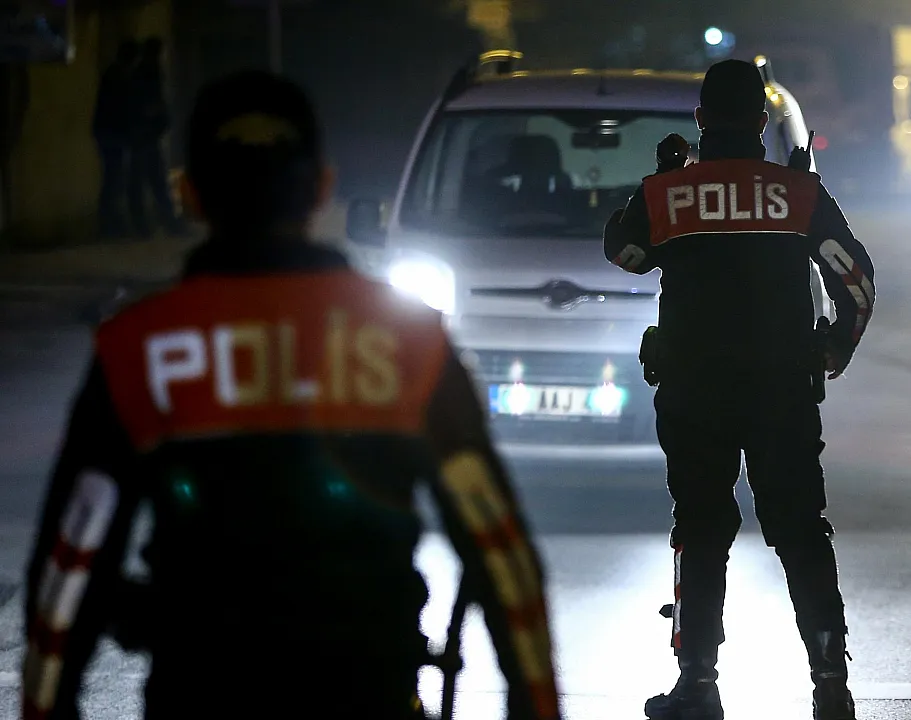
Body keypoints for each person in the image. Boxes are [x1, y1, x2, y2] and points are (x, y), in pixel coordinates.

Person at [22, 71, 562, 720]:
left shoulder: (139, 347)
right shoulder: (407, 344)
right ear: (322, 188)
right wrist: (536, 707)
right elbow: (501, 554)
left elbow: (69, 572)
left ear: (189, 194)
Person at [602, 59, 876, 720]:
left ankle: (697, 683)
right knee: (800, 530)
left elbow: (624, 253)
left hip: (694, 394)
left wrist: (663, 180)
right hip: (782, 393)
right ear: (761, 121)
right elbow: (856, 282)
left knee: (700, 530)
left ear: (700, 119)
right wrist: (836, 342)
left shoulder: (671, 193)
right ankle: (830, 686)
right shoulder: (797, 192)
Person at [126, 37, 186, 237]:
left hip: (144, 135)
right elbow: (150, 105)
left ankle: (150, 225)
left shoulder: (144, 72)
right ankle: (161, 224)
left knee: (149, 181)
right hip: (145, 135)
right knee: (151, 181)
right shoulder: (148, 73)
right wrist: (158, 120)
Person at [92, 40, 139, 239]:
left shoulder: (115, 74)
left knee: (113, 179)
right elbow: (121, 109)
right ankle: (111, 226)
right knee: (114, 180)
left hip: (109, 133)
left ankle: (110, 225)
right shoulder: (119, 76)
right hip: (113, 134)